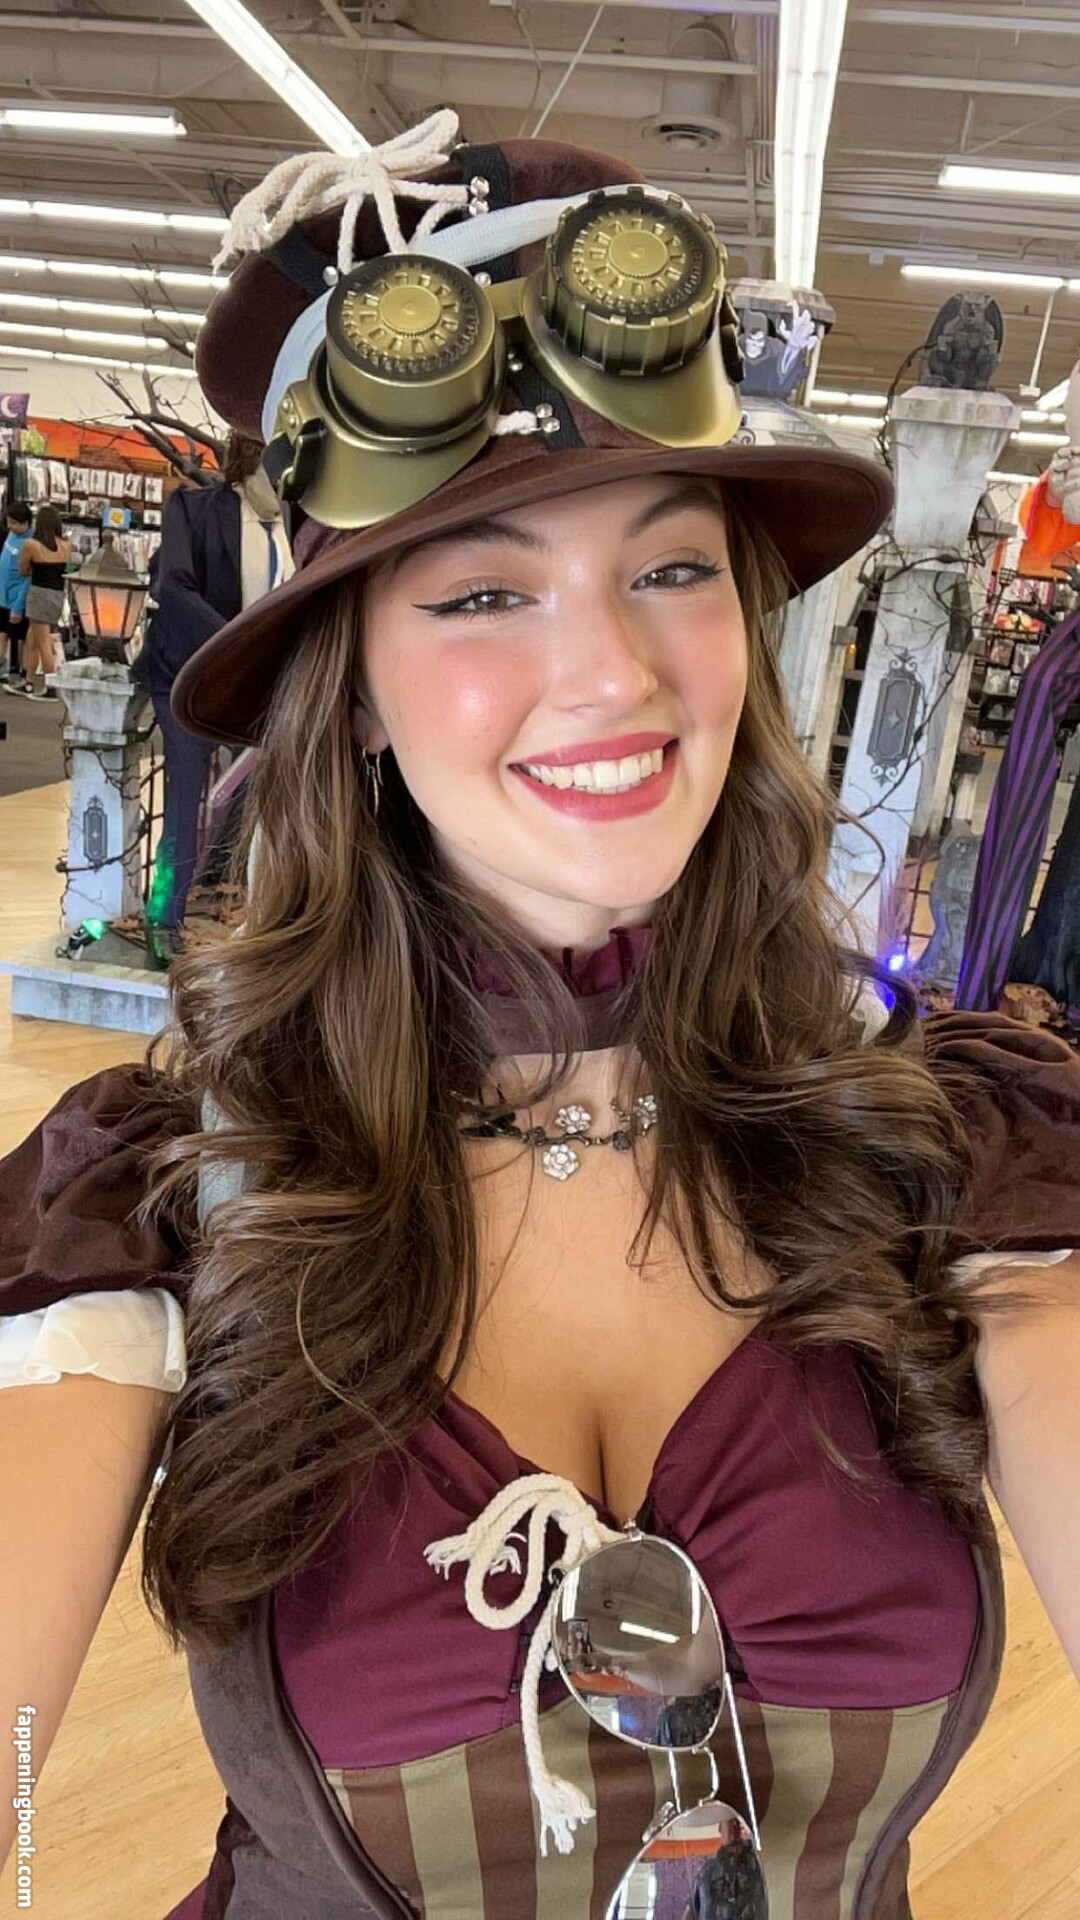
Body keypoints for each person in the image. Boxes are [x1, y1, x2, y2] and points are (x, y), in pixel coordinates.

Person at [1, 114, 1079, 1920]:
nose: (613, 672)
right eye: (487, 593)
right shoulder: (167, 1200)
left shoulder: (956, 1152)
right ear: (352, 692)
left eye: (671, 569)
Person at [133, 435, 293, 929]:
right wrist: (238, 644)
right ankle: (164, 919)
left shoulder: (298, 524)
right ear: (250, 466)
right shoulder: (193, 509)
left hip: (265, 685)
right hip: (189, 677)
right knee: (185, 798)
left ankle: (248, 902)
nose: (285, 489)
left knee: (280, 791)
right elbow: (174, 587)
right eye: (276, 477)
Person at [16, 502, 70, 698]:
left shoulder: (31, 545)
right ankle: (29, 681)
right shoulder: (65, 546)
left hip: (39, 593)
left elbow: (22, 570)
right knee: (33, 638)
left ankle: (50, 685)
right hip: (57, 594)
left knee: (43, 642)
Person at [0, 498, 31, 690]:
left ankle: (21, 674)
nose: (10, 526)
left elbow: (27, 578)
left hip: (16, 599)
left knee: (20, 637)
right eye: (8, 522)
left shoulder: (29, 543)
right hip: (3, 596)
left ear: (25, 523)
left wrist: (18, 606)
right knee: (2, 633)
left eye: (14, 523)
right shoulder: (11, 535)